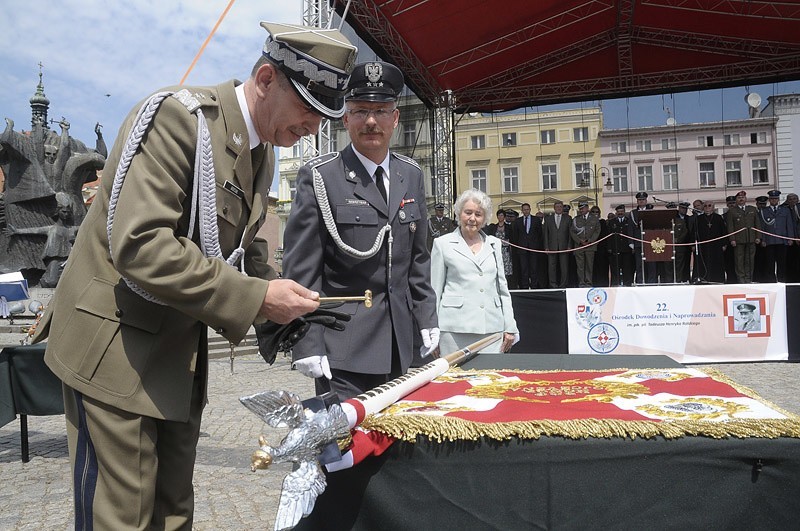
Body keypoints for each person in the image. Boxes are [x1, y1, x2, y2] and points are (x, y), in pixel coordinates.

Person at [31, 22, 350, 528]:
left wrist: (285, 313)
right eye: (309, 109)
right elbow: (141, 246)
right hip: (114, 353)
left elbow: (238, 254)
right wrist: (257, 297)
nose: (314, 127)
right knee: (122, 519)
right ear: (266, 78)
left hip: (173, 358)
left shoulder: (260, 152)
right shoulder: (179, 120)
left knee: (174, 514)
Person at [282, 61, 438, 400]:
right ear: (345, 118)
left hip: (399, 344)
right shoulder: (322, 176)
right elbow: (301, 271)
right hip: (343, 348)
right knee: (345, 449)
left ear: (395, 119)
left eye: (381, 111)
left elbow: (418, 261)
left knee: (394, 447)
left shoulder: (410, 174)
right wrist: (306, 342)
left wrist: (426, 318)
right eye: (360, 111)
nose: (371, 121)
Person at [431, 188, 518, 354]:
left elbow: (503, 290)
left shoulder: (494, 244)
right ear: (458, 214)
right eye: (468, 212)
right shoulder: (442, 244)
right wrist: (432, 330)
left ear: (484, 219)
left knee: (491, 379)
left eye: (478, 214)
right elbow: (435, 291)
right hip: (453, 331)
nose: (472, 218)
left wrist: (510, 326)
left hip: (492, 330)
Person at [758, 190, 795, 283]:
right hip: (769, 241)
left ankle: (781, 281)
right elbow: (762, 226)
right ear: (769, 200)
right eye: (772, 199)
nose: (774, 200)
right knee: (770, 264)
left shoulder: (785, 210)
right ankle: (771, 282)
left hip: (782, 240)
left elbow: (789, 224)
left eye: (775, 199)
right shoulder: (764, 211)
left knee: (781, 263)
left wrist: (790, 238)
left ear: (778, 199)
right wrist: (763, 239)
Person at [726, 190, 761, 283]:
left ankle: (749, 278)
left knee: (750, 260)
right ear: (736, 200)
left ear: (746, 199)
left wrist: (758, 237)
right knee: (739, 261)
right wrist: (732, 239)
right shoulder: (732, 211)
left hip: (751, 238)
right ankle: (741, 279)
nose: (741, 199)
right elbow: (730, 226)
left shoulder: (752, 209)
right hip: (738, 240)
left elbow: (757, 224)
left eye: (743, 197)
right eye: (739, 198)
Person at [694, 200, 727, 283]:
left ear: (713, 207)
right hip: (703, 246)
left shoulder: (718, 218)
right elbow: (694, 232)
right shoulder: (699, 219)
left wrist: (724, 244)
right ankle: (704, 279)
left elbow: (724, 231)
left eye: (709, 206)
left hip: (716, 245)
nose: (707, 208)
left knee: (716, 263)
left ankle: (717, 279)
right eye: (705, 206)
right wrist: (693, 244)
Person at [511, 202, 542, 289]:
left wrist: (537, 246)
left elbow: (539, 234)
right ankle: (525, 287)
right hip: (522, 249)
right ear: (522, 211)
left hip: (533, 249)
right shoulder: (517, 221)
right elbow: (515, 236)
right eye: (524, 210)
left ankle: (534, 287)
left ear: (530, 210)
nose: (526, 211)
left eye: (527, 209)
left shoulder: (536, 220)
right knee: (524, 269)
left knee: (534, 269)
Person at [569, 201, 601, 288]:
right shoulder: (576, 219)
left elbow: (597, 231)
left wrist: (590, 241)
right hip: (579, 246)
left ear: (587, 208)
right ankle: (581, 283)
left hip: (590, 246)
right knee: (580, 266)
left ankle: (588, 283)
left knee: (589, 266)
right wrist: (579, 241)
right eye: (580, 208)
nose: (581, 210)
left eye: (583, 208)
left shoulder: (594, 218)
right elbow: (572, 231)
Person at [542, 199, 571, 288]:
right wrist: (546, 246)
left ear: (562, 208)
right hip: (552, 246)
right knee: (551, 267)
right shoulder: (548, 219)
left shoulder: (568, 218)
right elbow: (545, 233)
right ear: (554, 208)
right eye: (557, 207)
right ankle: (553, 284)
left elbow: (570, 233)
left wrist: (569, 246)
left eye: (560, 207)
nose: (559, 208)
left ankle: (563, 285)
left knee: (564, 267)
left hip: (564, 246)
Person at [485, 208, 514, 287]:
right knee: (496, 267)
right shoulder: (493, 227)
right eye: (499, 215)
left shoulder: (508, 227)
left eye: (502, 215)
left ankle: (506, 285)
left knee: (506, 269)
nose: (500, 217)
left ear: (504, 217)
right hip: (496, 250)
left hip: (506, 251)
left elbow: (512, 238)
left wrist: (508, 242)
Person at [607, 204, 634, 286]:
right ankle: (615, 283)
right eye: (618, 212)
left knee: (627, 268)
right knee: (615, 268)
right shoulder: (612, 222)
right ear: (616, 212)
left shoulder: (628, 221)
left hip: (626, 249)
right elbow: (609, 236)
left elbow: (631, 234)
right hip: (616, 249)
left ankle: (627, 283)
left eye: (622, 211)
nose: (620, 213)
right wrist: (609, 248)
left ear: (624, 212)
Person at [590, 205, 610, 286]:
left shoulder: (602, 222)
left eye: (597, 212)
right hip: (591, 247)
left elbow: (605, 235)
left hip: (601, 248)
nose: (595, 213)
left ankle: (603, 284)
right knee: (593, 267)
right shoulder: (589, 222)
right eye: (593, 212)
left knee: (602, 267)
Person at [673, 201, 692, 283]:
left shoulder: (689, 218)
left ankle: (686, 278)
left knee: (686, 263)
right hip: (677, 245)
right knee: (678, 264)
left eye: (686, 208)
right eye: (682, 208)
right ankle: (678, 279)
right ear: (679, 208)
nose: (684, 210)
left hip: (687, 244)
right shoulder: (674, 218)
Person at [723, 195, 739, 283]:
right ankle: (730, 280)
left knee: (739, 263)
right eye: (729, 204)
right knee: (729, 264)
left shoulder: (740, 214)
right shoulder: (723, 216)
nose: (731, 205)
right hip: (728, 244)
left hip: (739, 242)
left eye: (733, 203)